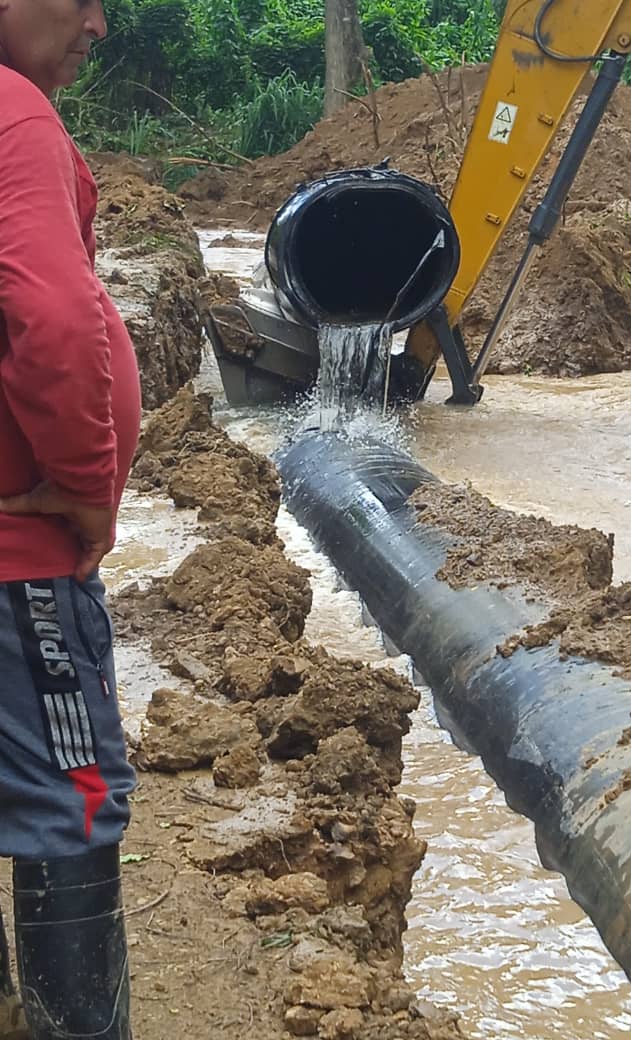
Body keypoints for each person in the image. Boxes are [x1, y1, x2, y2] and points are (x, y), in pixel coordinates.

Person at [0, 2, 140, 1038]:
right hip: (21, 564)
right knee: (73, 798)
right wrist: (88, 477)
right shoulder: (14, 112)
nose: (97, 22)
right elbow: (49, 309)